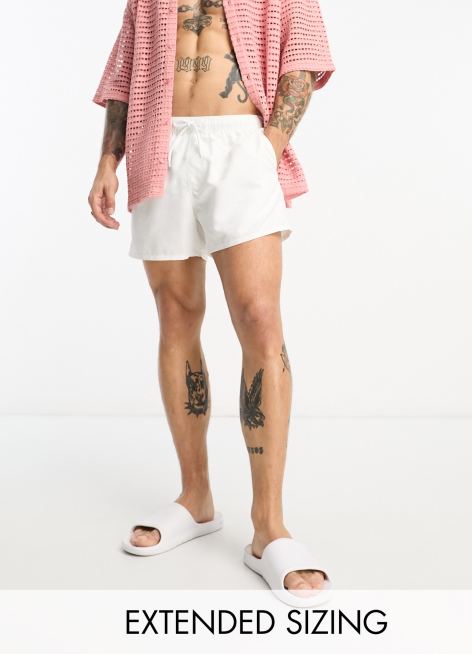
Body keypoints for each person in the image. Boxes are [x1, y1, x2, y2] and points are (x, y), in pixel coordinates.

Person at [89, 0, 335, 607]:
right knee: (175, 316)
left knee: (259, 321)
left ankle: (269, 526)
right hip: (160, 145)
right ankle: (195, 498)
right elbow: (126, 71)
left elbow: (302, 59)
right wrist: (108, 159)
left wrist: (268, 145)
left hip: (242, 144)